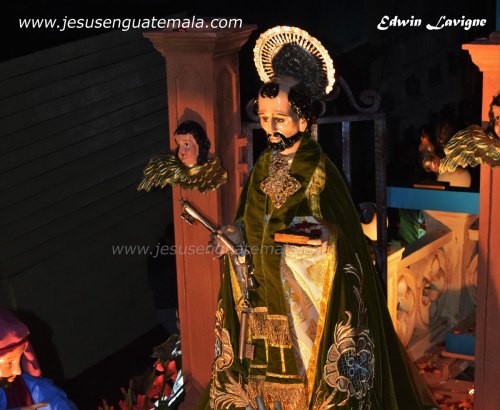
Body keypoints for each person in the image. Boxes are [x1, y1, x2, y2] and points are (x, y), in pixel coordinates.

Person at [198, 27, 437, 409]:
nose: (270, 129)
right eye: (264, 118)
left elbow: (339, 234)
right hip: (260, 291)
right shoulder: (262, 166)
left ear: (304, 120)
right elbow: (250, 218)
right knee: (260, 379)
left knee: (305, 380)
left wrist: (324, 237)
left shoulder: (319, 171)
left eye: (280, 119)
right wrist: (234, 232)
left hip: (301, 297)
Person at [0, 309, 77, 410]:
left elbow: (51, 397)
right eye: (9, 363)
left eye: (20, 358)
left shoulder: (21, 385)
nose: (18, 371)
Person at [138, 120, 228, 193]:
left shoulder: (212, 172)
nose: (181, 152)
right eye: (179, 145)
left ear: (199, 146)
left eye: (186, 145)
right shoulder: (176, 170)